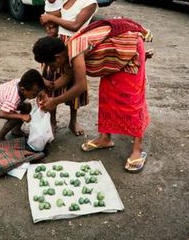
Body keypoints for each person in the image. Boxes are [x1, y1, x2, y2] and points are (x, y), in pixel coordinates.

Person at [33, 18, 152, 173]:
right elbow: (68, 76)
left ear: (57, 57)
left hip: (130, 52)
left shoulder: (75, 51)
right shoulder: (66, 52)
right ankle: (105, 138)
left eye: (51, 65)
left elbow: (80, 86)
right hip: (113, 60)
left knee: (131, 100)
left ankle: (137, 149)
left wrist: (55, 101)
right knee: (107, 97)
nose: (53, 69)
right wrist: (49, 88)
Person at [40, 0, 98, 136]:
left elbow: (74, 25)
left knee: (73, 83)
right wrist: (46, 19)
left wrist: (52, 19)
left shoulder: (90, 1)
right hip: (56, 46)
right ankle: (52, 121)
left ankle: (73, 121)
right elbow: (50, 12)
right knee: (52, 82)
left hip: (74, 46)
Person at [0, 69, 45, 142]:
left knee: (27, 106)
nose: (36, 96)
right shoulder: (13, 98)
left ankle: (16, 131)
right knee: (15, 119)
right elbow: (2, 113)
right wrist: (21, 116)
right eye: (34, 94)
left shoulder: (22, 83)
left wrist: (42, 89)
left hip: (2, 99)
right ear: (23, 90)